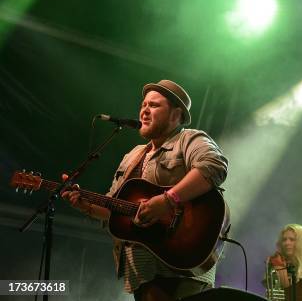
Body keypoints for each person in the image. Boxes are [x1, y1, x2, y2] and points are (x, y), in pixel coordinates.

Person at [62, 79, 228, 301]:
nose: (144, 111)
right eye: (143, 105)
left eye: (154, 105)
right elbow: (116, 208)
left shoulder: (188, 139)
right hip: (143, 271)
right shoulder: (132, 156)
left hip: (183, 265)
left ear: (176, 115)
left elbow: (214, 166)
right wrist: (87, 206)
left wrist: (168, 200)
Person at [266, 224, 302, 296]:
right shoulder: (275, 262)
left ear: (301, 243)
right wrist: (279, 267)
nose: (287, 243)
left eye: (292, 240)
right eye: (284, 240)